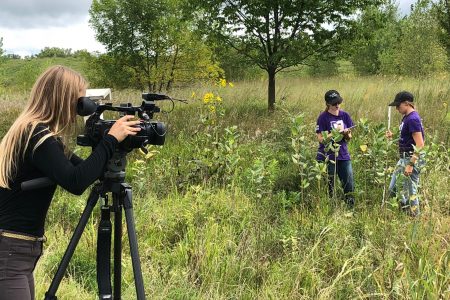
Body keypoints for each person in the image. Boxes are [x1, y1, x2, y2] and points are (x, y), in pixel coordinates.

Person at [0, 65, 141, 299]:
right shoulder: (38, 135)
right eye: (79, 99)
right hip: (11, 250)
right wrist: (110, 139)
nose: (82, 107)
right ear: (63, 98)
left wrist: (116, 145)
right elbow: (75, 182)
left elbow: (87, 172)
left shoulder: (34, 131)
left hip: (18, 249)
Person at [386, 91, 425, 217]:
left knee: (410, 190)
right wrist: (394, 136)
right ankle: (405, 210)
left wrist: (411, 164)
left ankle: (414, 216)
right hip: (404, 158)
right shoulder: (406, 118)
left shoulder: (413, 119)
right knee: (393, 187)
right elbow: (406, 136)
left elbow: (420, 144)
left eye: (398, 105)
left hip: (410, 158)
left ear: (407, 103)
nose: (397, 108)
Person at [316, 90, 355, 207]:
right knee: (330, 185)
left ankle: (350, 207)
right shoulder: (323, 118)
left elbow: (349, 138)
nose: (337, 105)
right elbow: (321, 139)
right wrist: (334, 133)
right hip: (327, 156)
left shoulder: (345, 115)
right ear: (328, 104)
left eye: (338, 102)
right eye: (334, 103)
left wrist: (346, 134)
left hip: (343, 154)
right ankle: (331, 208)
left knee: (349, 183)